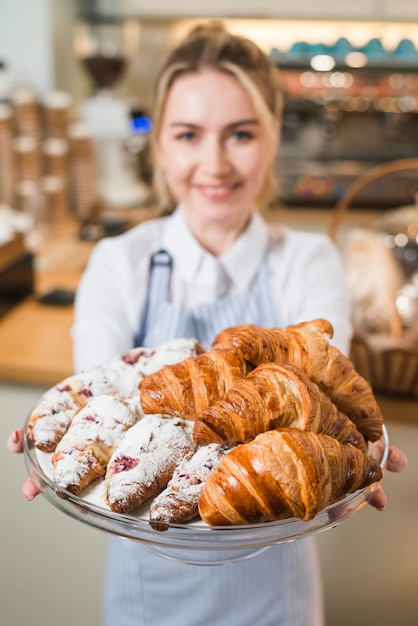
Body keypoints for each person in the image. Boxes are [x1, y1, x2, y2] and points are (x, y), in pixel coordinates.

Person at [8, 23, 407, 626]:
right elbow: (97, 395)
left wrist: (350, 455)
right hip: (146, 585)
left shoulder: (309, 262)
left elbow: (324, 400)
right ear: (161, 145)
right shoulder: (121, 262)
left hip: (278, 590)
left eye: (240, 134)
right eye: (188, 135)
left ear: (271, 137)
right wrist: (61, 443)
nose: (214, 163)